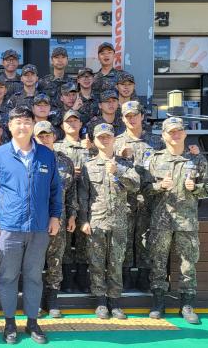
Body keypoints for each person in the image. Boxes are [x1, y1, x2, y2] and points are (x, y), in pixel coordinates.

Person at [0, 106, 62, 345]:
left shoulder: (46, 155)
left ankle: (32, 321)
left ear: (33, 125)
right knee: (7, 277)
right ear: (9, 125)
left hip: (38, 228)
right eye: (17, 122)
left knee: (34, 276)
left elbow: (56, 189)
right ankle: (9, 322)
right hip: (9, 226)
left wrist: (55, 216)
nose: (22, 126)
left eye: (27, 121)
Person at [145, 117, 208, 324]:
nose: (175, 135)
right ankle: (158, 303)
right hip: (161, 222)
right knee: (158, 263)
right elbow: (144, 190)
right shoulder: (155, 159)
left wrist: (197, 188)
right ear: (163, 135)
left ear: (184, 133)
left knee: (187, 264)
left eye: (178, 131)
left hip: (187, 221)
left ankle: (187, 305)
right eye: (170, 132)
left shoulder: (197, 159)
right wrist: (159, 187)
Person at [78, 123, 140, 320]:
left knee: (116, 262)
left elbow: (136, 186)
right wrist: (84, 220)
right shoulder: (89, 166)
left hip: (119, 221)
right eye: (100, 137)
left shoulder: (126, 164)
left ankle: (115, 300)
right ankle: (100, 301)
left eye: (108, 136)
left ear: (114, 139)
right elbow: (83, 196)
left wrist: (118, 171)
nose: (104, 140)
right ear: (95, 141)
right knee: (96, 263)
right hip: (96, 221)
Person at [114, 101, 165, 291]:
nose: (132, 119)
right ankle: (125, 275)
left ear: (142, 116)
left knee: (145, 238)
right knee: (125, 238)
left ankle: (144, 276)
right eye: (127, 116)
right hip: (125, 199)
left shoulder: (156, 141)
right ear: (122, 119)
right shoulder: (116, 141)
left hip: (150, 197)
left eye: (135, 115)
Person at [33, 121, 77, 319]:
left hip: (58, 218)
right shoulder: (29, 158)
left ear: (54, 137)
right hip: (34, 219)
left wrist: (73, 215)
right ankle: (34, 300)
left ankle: (52, 299)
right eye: (40, 136)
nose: (44, 139)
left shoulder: (65, 161)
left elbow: (72, 192)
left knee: (55, 259)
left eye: (47, 135)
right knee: (33, 261)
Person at [54, 110, 92, 293]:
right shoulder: (57, 148)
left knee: (84, 240)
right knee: (66, 242)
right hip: (66, 198)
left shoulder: (90, 147)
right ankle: (67, 279)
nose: (72, 124)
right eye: (68, 121)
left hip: (87, 200)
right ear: (62, 126)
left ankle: (82, 277)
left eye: (75, 120)